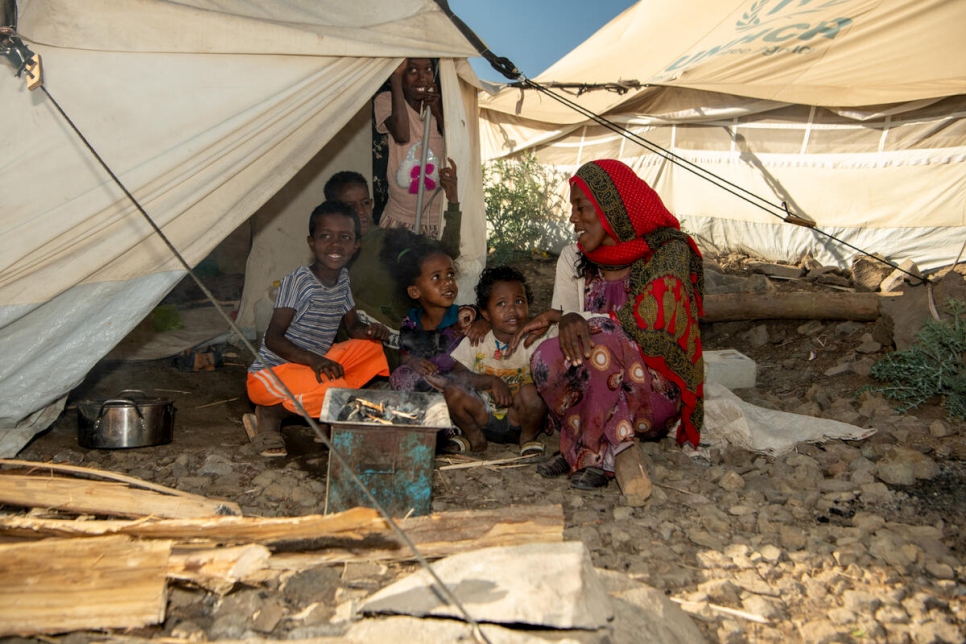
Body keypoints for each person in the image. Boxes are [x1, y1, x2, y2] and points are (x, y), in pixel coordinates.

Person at [510, 159, 704, 490]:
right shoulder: (573, 258)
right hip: (589, 394)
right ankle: (598, 449)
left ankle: (582, 449)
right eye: (571, 208)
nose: (572, 218)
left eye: (581, 207)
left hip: (649, 397)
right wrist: (563, 323)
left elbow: (642, 328)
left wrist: (565, 317)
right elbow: (565, 342)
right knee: (544, 355)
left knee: (606, 337)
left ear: (611, 207)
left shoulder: (667, 252)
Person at [245, 201, 391, 457]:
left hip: (312, 366)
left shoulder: (343, 279)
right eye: (325, 236)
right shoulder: (298, 282)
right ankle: (269, 416)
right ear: (311, 242)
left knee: (370, 348)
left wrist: (371, 331)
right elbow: (273, 339)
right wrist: (315, 361)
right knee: (334, 389)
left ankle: (325, 414)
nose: (335, 245)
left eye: (344, 237)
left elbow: (353, 327)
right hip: (272, 373)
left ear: (356, 245)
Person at [322, 163, 462, 348]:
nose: (361, 212)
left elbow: (448, 252)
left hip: (409, 334)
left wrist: (452, 201)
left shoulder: (392, 239)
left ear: (372, 204)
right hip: (369, 344)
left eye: (365, 203)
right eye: (350, 206)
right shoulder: (333, 259)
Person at [442, 266, 553, 455]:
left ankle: (527, 440)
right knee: (452, 389)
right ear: (485, 313)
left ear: (528, 305)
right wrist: (492, 381)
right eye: (501, 304)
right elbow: (458, 375)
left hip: (519, 419)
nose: (512, 310)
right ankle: (474, 437)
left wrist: (553, 316)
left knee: (532, 392)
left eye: (519, 301)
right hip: (483, 416)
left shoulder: (534, 340)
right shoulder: (477, 340)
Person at [379, 228, 476, 394]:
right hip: (430, 381)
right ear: (415, 291)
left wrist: (483, 326)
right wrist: (412, 362)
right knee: (399, 376)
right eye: (437, 277)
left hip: (462, 382)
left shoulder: (466, 315)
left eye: (450, 274)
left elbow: (492, 327)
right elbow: (405, 356)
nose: (448, 282)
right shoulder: (410, 323)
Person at [373, 58, 446, 237]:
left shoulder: (444, 106)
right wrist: (395, 80)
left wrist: (437, 111)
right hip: (399, 217)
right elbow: (402, 134)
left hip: (436, 217)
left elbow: (456, 143)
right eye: (412, 71)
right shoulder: (386, 100)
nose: (422, 78)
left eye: (428, 70)